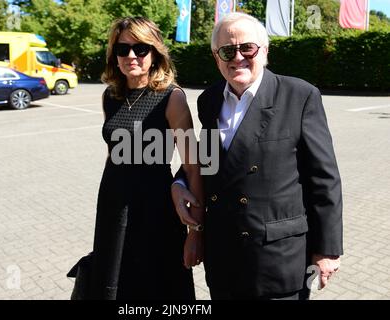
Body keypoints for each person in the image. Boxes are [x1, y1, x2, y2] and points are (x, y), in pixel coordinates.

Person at [172, 12, 343, 300]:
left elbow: (324, 178)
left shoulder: (299, 95)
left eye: (246, 48)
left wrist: (327, 250)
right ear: (217, 57)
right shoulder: (209, 100)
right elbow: (209, 158)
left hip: (277, 259)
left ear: (264, 51)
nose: (237, 57)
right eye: (227, 50)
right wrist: (180, 183)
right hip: (224, 256)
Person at [88, 17, 204, 300]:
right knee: (115, 280)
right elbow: (113, 154)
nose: (131, 56)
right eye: (122, 49)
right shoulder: (110, 96)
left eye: (140, 49)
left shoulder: (172, 98)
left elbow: (193, 164)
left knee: (157, 284)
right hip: (113, 204)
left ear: (155, 54)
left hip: (155, 208)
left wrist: (196, 229)